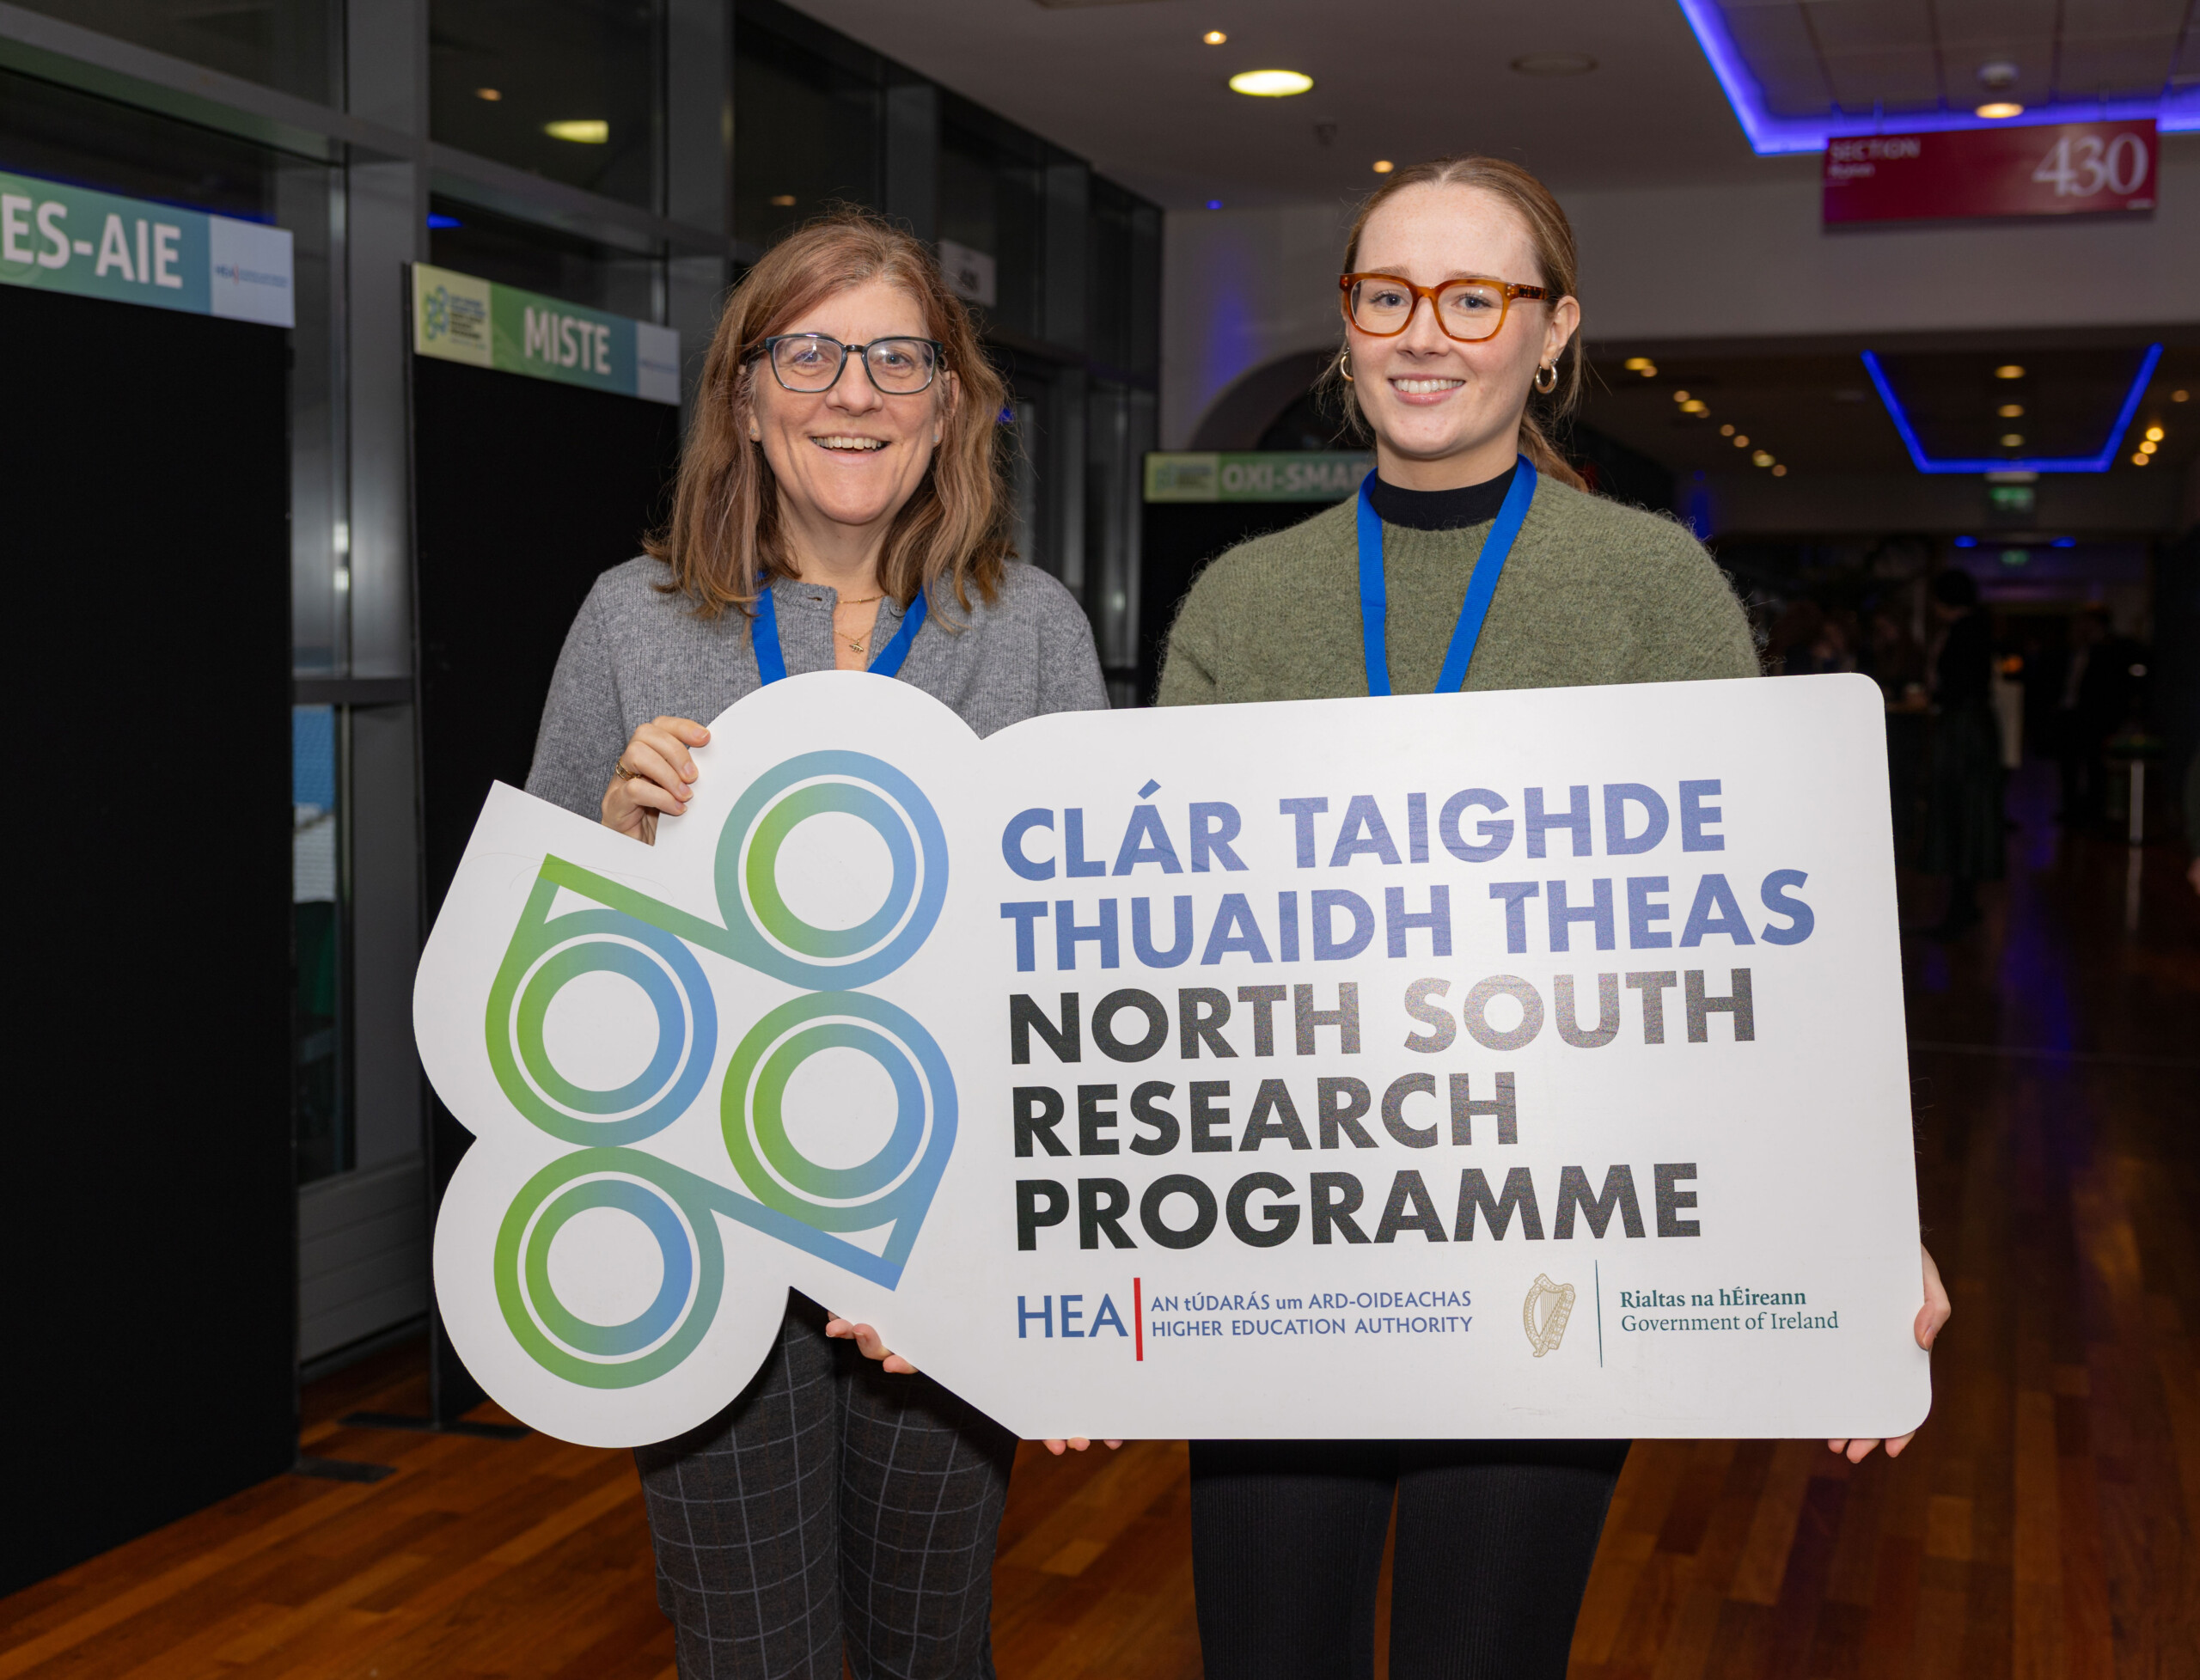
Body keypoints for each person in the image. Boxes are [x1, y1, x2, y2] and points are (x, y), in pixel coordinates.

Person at [1156, 154, 1952, 1680]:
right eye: (1387, 296)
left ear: (1554, 330)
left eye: (1477, 298)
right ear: (1345, 325)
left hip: (1556, 1265)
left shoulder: (1651, 589)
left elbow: (1763, 943)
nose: (1426, 333)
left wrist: (1864, 1216)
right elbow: (1157, 951)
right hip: (1277, 1257)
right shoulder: (1244, 608)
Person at [525, 209, 1107, 1679]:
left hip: (942, 1231)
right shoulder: (627, 619)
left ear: (952, 403)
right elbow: (535, 975)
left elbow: (1089, 965)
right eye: (813, 353)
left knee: (932, 1645)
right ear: (747, 397)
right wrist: (611, 831)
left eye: (898, 358)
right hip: (703, 1238)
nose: (855, 392)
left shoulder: (1027, 627)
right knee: (748, 1656)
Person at [1920, 568, 2003, 937]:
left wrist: (1932, 698)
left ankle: (1960, 908)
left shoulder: (1965, 632)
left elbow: (1958, 684)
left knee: (1961, 812)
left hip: (1963, 731)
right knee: (1968, 814)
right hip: (1972, 728)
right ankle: (1963, 904)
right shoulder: (1975, 628)